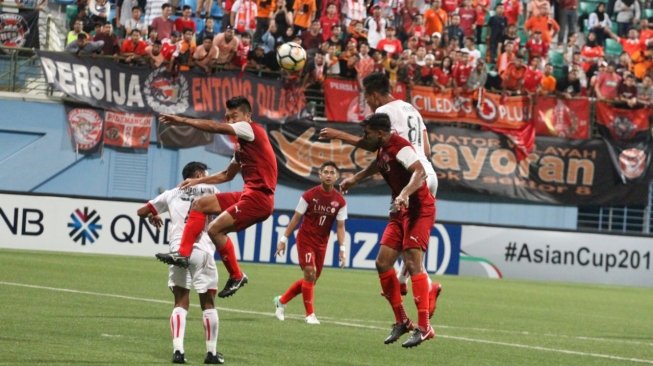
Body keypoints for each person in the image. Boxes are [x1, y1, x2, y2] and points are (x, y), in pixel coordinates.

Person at [319, 72, 441, 311]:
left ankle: (424, 290)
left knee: (406, 242)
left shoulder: (383, 114)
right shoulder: (411, 109)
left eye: (367, 97)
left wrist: (338, 135)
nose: (368, 103)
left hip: (412, 178)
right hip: (428, 174)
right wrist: (357, 177)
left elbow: (375, 146)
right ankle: (406, 281)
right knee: (410, 242)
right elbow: (424, 147)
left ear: (374, 95)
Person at [155, 96, 278, 299]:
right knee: (200, 204)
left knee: (214, 230)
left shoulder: (250, 129)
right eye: (228, 117)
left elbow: (213, 127)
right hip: (249, 194)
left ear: (248, 116)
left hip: (259, 198)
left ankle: (237, 275)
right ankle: (183, 255)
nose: (230, 121)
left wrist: (182, 120)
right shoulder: (242, 146)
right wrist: (196, 182)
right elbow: (226, 175)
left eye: (234, 116)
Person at [339, 113, 436, 348]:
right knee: (383, 263)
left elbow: (420, 171)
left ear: (380, 133)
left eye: (367, 133)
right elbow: (379, 164)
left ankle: (424, 327)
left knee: (413, 262)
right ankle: (402, 320)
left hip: (418, 209)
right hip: (399, 211)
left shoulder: (400, 146)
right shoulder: (383, 149)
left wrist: (404, 193)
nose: (365, 138)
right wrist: (356, 178)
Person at [137, 162, 224, 365]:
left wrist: (154, 213)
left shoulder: (171, 193)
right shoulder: (210, 189)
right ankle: (211, 354)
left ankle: (178, 351)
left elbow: (141, 211)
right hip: (202, 251)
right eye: (205, 172)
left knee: (180, 303)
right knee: (208, 303)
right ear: (199, 174)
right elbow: (224, 212)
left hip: (177, 253)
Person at [273, 161, 347, 325]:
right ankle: (310, 314)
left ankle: (281, 301)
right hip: (305, 239)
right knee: (309, 273)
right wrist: (283, 239)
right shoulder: (308, 195)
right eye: (325, 172)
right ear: (320, 175)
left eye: (331, 172)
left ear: (336, 177)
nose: (328, 175)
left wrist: (342, 249)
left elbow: (341, 227)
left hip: (322, 243)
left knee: (312, 279)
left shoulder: (340, 201)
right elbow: (296, 218)